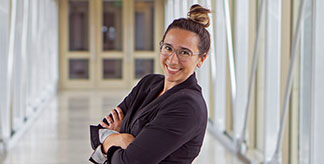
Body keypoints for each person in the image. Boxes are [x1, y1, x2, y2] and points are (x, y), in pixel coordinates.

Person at [89, 4, 211, 164]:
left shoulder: (187, 106)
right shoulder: (148, 84)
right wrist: (121, 140)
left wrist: (114, 139)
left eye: (184, 52)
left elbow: (130, 162)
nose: (173, 60)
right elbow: (99, 133)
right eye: (168, 48)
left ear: (201, 59)